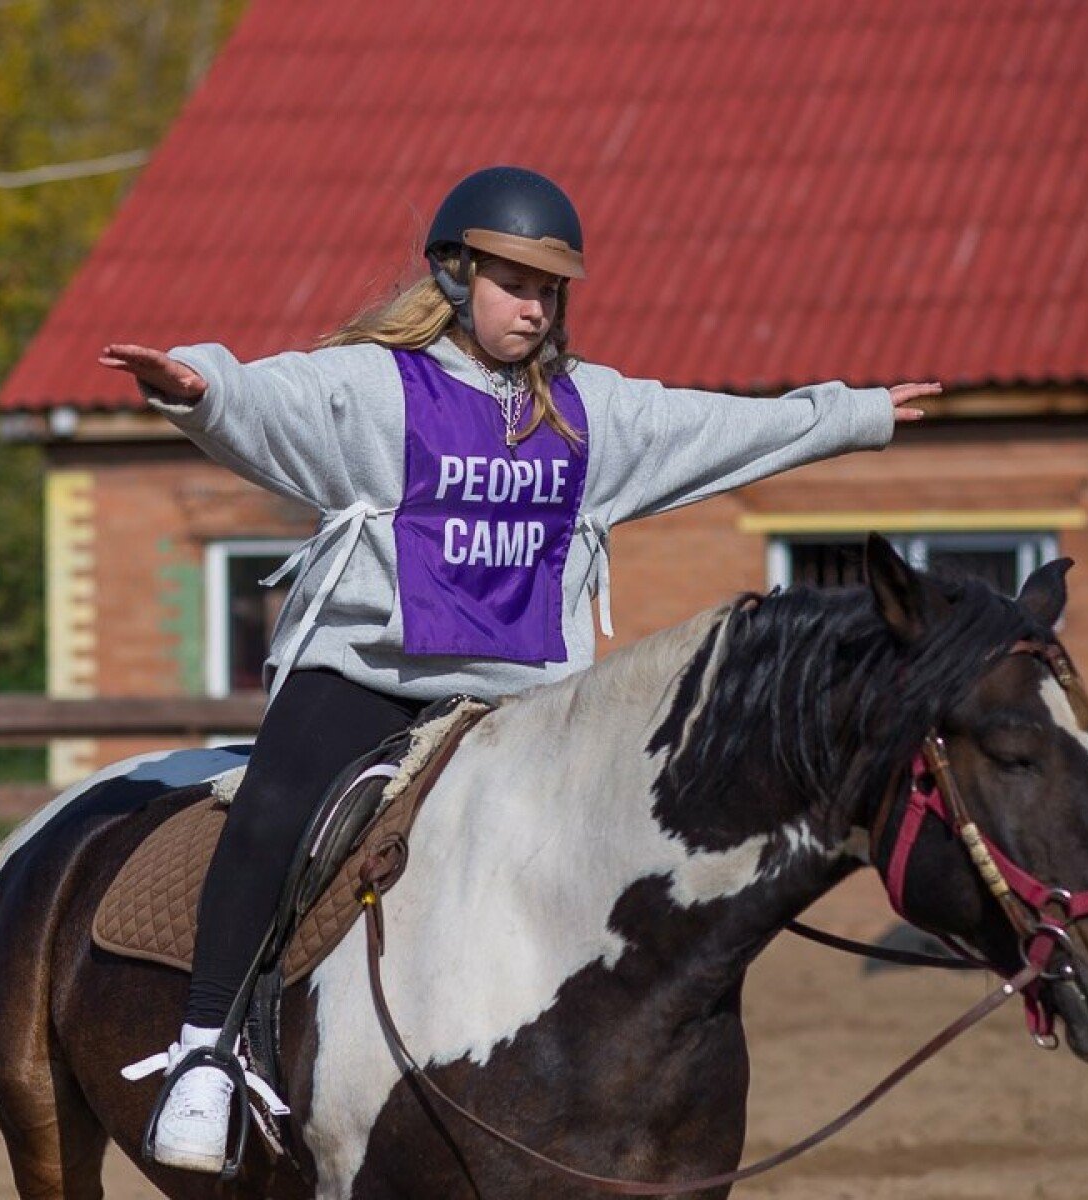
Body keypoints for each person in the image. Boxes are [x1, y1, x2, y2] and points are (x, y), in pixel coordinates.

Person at [99, 165, 936, 1173]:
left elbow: (724, 427)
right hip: (368, 673)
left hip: (523, 700)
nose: (535, 306)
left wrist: (859, 415)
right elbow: (271, 397)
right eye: (514, 283)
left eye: (549, 289)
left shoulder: (594, 415)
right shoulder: (377, 386)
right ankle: (206, 1056)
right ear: (455, 278)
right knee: (274, 808)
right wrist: (197, 387)